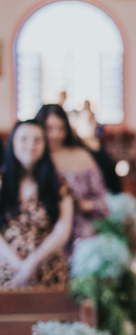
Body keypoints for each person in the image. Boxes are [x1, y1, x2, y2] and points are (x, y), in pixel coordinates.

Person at [0, 121, 74, 289]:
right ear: (13, 143)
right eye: (24, 139)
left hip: (48, 270)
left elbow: (63, 228)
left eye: (37, 140)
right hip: (7, 269)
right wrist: (18, 265)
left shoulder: (58, 185)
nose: (31, 145)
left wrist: (33, 262)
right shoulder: (1, 183)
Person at [33, 104, 107, 243]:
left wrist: (80, 205)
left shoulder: (82, 156)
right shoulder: (32, 160)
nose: (56, 134)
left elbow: (103, 203)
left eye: (61, 128)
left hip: (79, 237)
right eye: (49, 128)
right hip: (42, 238)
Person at [72, 100, 122, 194]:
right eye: (87, 120)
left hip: (111, 191)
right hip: (94, 194)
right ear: (78, 123)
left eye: (93, 119)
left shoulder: (101, 143)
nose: (92, 124)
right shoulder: (78, 147)